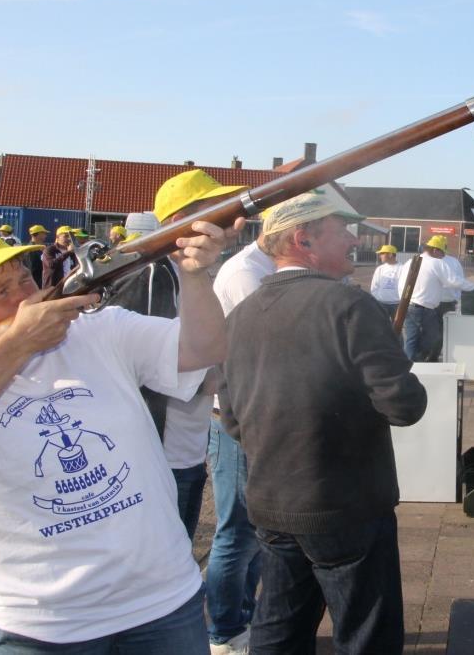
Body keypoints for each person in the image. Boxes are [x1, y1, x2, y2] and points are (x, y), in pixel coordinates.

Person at [0, 215, 242, 653]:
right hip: (44, 623)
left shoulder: (100, 328)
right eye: (2, 292)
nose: (26, 296)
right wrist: (18, 344)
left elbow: (202, 349)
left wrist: (195, 276)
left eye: (23, 278)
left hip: (163, 597)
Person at [221, 193, 427, 654]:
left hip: (273, 505)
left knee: (278, 631)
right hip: (346, 506)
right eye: (342, 229)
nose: (355, 238)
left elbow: (233, 418)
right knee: (366, 635)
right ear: (303, 238)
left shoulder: (238, 317)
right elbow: (404, 406)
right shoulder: (350, 307)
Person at [107, 170, 246, 545]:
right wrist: (215, 378)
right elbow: (139, 364)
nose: (231, 219)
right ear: (178, 223)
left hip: (185, 445)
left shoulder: (182, 272)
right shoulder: (151, 274)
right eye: (215, 209)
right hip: (161, 454)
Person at [208, 221, 277, 655]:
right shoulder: (245, 273)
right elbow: (272, 341)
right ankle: (225, 633)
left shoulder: (263, 267)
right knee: (236, 532)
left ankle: (241, 618)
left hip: (257, 412)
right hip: (238, 419)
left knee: (253, 532)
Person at [399, 235, 474, 362]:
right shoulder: (436, 263)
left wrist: (404, 301)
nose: (443, 256)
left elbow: (401, 283)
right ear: (435, 250)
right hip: (425, 308)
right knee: (433, 336)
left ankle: (410, 365)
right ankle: (417, 361)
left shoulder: (411, 261)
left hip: (408, 305)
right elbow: (453, 281)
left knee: (412, 338)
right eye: (442, 252)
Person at [370, 244, 402, 319]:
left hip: (397, 305)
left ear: (390, 255)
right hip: (381, 304)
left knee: (396, 328)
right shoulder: (380, 269)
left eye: (382, 254)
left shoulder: (402, 268)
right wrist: (378, 299)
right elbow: (374, 286)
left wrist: (400, 300)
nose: (380, 256)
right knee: (381, 327)